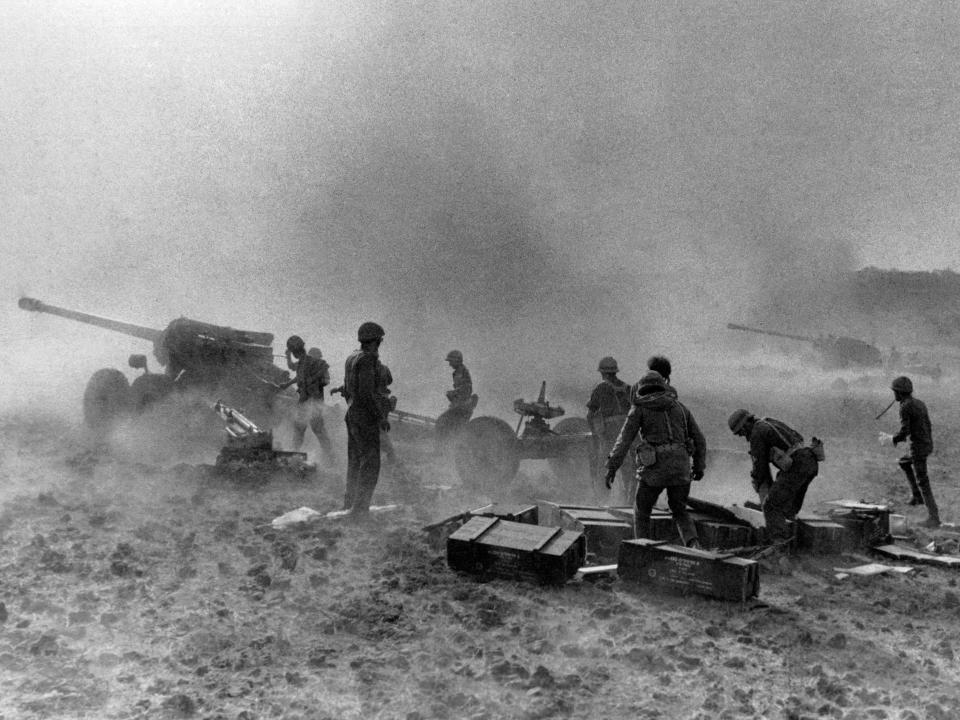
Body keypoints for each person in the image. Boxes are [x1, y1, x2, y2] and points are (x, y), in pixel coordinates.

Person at [606, 371, 707, 548]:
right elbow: (699, 439)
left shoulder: (639, 408)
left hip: (654, 469)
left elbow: (624, 439)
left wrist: (612, 466)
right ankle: (694, 545)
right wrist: (699, 466)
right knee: (680, 510)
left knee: (641, 510)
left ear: (642, 388)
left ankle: (642, 549)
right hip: (681, 467)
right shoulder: (680, 408)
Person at [727, 408, 820, 544]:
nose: (742, 435)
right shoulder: (769, 422)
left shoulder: (756, 433)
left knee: (771, 506)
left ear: (746, 423)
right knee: (788, 508)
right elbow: (798, 437)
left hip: (797, 466)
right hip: (810, 462)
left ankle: (779, 550)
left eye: (741, 431)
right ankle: (794, 545)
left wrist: (760, 484)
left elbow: (760, 466)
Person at [340, 322, 390, 520]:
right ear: (377, 341)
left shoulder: (352, 357)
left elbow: (349, 389)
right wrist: (380, 417)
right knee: (370, 464)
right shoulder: (368, 360)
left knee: (354, 461)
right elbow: (366, 393)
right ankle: (360, 510)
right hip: (364, 416)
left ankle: (349, 503)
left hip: (352, 414)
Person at [276, 337, 335, 466]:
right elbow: (297, 373)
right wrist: (287, 384)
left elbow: (325, 380)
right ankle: (295, 455)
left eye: (293, 352)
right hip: (304, 402)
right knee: (299, 429)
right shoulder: (303, 362)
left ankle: (331, 458)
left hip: (314, 402)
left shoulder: (315, 363)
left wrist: (312, 381)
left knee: (318, 431)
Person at [890, 376, 940, 527]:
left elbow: (905, 431)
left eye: (895, 392)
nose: (894, 395)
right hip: (926, 443)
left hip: (918, 447)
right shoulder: (919, 403)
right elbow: (928, 425)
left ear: (899, 393)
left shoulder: (905, 407)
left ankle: (934, 517)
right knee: (904, 462)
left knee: (923, 481)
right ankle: (916, 496)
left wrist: (893, 439)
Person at [587, 356, 634, 503]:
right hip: (627, 430)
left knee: (604, 465)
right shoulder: (628, 388)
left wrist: (595, 433)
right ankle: (628, 500)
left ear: (602, 372)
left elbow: (590, 414)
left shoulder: (601, 387)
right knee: (627, 465)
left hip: (609, 432)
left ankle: (602, 500)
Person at [435, 350, 477, 448]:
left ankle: (443, 450)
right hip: (460, 406)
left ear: (457, 360)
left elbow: (467, 388)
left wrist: (454, 393)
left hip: (462, 407)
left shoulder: (462, 371)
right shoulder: (458, 372)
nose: (449, 364)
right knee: (450, 426)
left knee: (442, 422)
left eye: (451, 361)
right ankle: (446, 449)